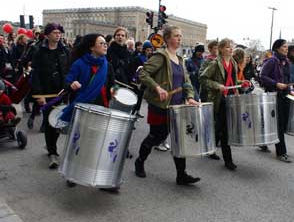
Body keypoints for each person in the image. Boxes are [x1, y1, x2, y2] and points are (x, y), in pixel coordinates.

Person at [134, 25, 200, 185]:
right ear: (168, 38)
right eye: (176, 36)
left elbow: (187, 82)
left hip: (177, 107)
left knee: (178, 139)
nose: (179, 38)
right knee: (156, 137)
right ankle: (140, 161)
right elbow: (142, 73)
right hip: (160, 105)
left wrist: (190, 97)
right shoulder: (160, 56)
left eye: (180, 36)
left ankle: (181, 175)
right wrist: (157, 87)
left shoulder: (180, 59)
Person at [59, 33, 118, 191]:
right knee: (78, 142)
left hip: (102, 107)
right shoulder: (79, 64)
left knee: (100, 144)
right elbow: (67, 81)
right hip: (83, 108)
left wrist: (113, 89)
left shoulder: (107, 64)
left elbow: (113, 84)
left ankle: (102, 180)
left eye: (106, 43)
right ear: (92, 46)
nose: (105, 45)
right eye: (101, 43)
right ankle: (72, 173)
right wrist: (72, 84)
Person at [200, 38, 248, 170]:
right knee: (224, 130)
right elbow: (203, 78)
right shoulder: (215, 63)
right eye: (227, 47)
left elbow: (231, 80)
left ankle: (210, 149)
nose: (231, 49)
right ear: (221, 49)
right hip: (218, 99)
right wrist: (217, 85)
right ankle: (228, 160)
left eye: (231, 47)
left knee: (221, 128)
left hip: (230, 99)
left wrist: (240, 83)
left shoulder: (232, 61)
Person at [31, 23, 70, 169]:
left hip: (62, 92)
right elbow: (35, 75)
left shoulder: (65, 51)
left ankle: (50, 146)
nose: (58, 35)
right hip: (47, 93)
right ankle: (52, 152)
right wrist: (39, 95)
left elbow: (69, 69)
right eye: (54, 32)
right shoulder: (39, 52)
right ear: (47, 35)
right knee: (49, 123)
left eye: (59, 32)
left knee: (59, 122)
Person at [259, 39, 294, 162]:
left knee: (280, 123)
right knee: (279, 124)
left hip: (284, 95)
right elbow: (262, 76)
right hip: (273, 95)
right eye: (284, 46)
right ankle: (281, 152)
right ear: (278, 48)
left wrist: (290, 90)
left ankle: (263, 142)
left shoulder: (286, 62)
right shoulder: (272, 61)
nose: (286, 49)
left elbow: (286, 78)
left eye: (287, 47)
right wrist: (276, 84)